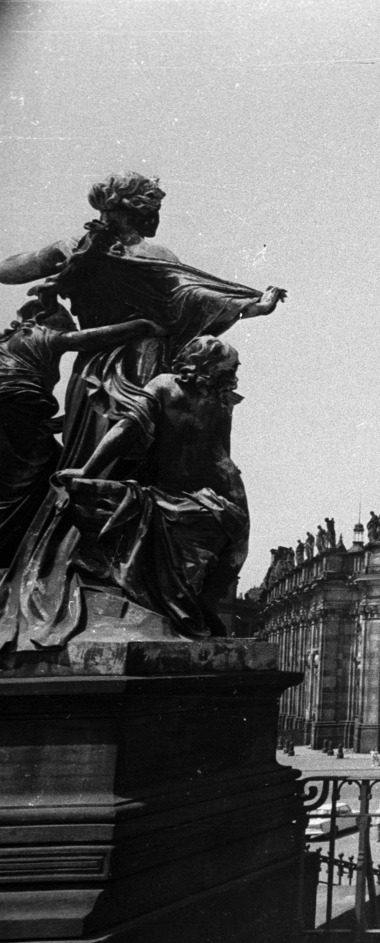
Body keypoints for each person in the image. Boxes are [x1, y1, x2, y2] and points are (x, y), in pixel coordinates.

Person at [0, 173, 285, 649]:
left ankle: (99, 572)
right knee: (134, 462)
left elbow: (8, 270)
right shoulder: (147, 256)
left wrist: (63, 263)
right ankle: (113, 578)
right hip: (138, 362)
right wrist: (253, 306)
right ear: (136, 210)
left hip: (97, 368)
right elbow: (192, 298)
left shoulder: (79, 247)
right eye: (150, 207)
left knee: (109, 459)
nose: (155, 216)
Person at [49, 336, 250, 638]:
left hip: (198, 494)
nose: (232, 376)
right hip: (160, 490)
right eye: (227, 369)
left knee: (236, 537)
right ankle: (184, 609)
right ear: (203, 364)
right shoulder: (164, 385)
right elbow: (127, 428)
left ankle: (200, 606)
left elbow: (221, 454)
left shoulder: (219, 402)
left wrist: (234, 494)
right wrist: (88, 470)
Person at [0, 314, 166, 570]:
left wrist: (58, 421)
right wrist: (141, 325)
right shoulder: (39, 335)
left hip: (18, 417)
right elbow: (86, 340)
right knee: (36, 479)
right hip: (17, 415)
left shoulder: (8, 343)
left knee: (22, 481)